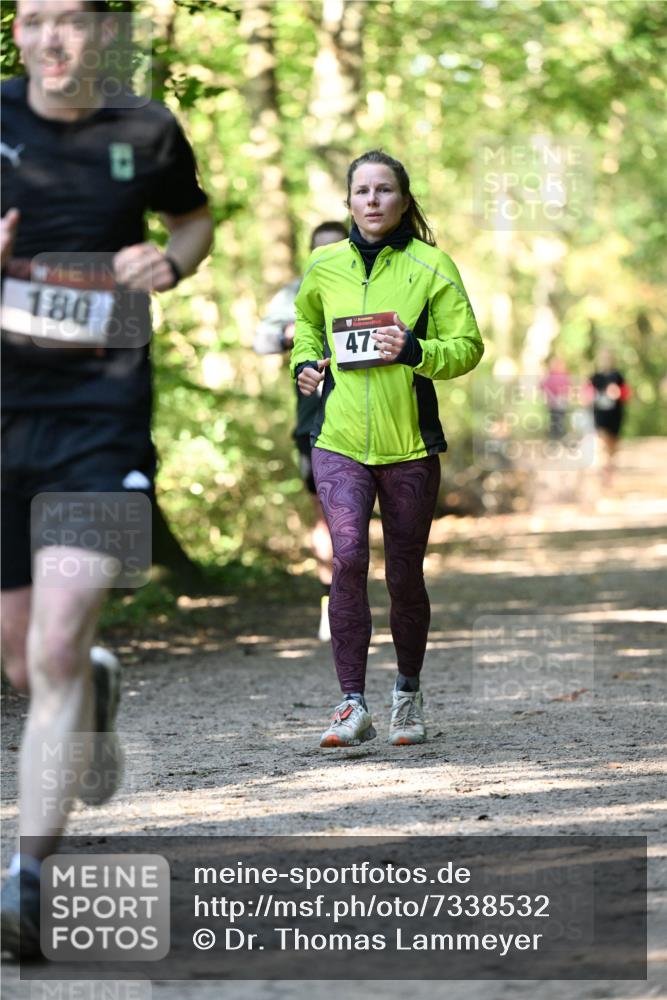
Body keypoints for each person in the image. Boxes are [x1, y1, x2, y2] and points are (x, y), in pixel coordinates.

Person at [0, 0, 213, 958]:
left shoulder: (146, 128)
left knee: (47, 646)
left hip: (103, 417)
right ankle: (91, 685)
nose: (52, 39)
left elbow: (195, 222)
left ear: (103, 33)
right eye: (32, 19)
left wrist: (168, 262)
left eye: (71, 20)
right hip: (3, 416)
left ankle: (26, 883)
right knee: (27, 661)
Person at [291, 150, 484, 748]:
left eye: (383, 190)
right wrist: (305, 363)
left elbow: (467, 346)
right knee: (347, 560)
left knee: (405, 573)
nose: (371, 201)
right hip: (339, 440)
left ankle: (407, 696)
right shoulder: (323, 265)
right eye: (361, 191)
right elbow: (306, 324)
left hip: (409, 445)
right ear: (348, 201)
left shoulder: (433, 266)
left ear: (403, 199)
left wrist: (415, 351)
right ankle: (352, 704)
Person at [254, 221, 347, 642]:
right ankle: (330, 600)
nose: (326, 255)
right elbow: (261, 339)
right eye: (318, 250)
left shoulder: (365, 285)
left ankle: (353, 598)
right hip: (311, 418)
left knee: (353, 517)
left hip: (362, 417)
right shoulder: (293, 293)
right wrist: (290, 332)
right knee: (323, 514)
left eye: (335, 247)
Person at [588, 348, 630, 487]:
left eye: (607, 357)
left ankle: (610, 470)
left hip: (615, 416)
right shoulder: (594, 377)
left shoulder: (618, 376)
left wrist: (618, 393)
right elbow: (585, 394)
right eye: (603, 357)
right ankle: (603, 473)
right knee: (601, 443)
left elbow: (626, 394)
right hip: (599, 416)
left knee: (612, 447)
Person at [539, 355, 572, 440]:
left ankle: (560, 436)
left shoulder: (564, 374)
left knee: (560, 420)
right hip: (553, 403)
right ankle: (555, 437)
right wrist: (551, 397)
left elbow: (567, 387)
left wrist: (563, 397)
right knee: (554, 420)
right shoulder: (550, 375)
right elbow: (543, 386)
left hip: (562, 402)